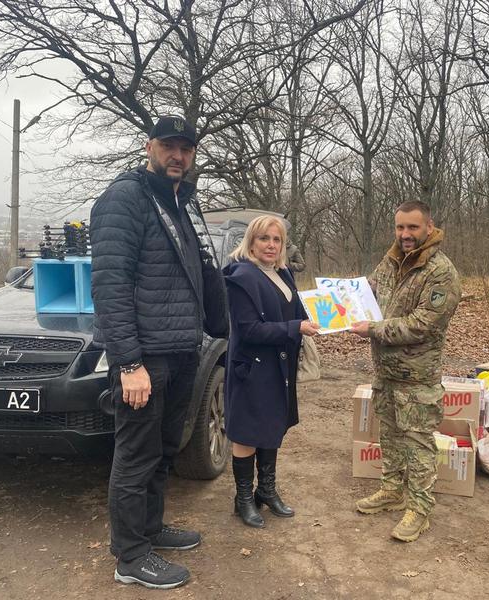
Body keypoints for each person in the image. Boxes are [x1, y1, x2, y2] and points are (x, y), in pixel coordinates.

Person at [91, 116, 229, 589]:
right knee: (135, 456)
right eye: (169, 146)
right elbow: (110, 286)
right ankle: (130, 556)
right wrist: (128, 363)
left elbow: (197, 275)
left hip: (181, 350)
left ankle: (150, 529)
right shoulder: (125, 198)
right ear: (149, 146)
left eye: (186, 149)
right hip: (144, 358)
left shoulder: (182, 202)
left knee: (164, 450)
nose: (178, 155)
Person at [350, 200, 461, 542]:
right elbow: (368, 290)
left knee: (418, 443)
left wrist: (373, 328)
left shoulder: (440, 272)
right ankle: (392, 491)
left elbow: (421, 325)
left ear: (429, 227)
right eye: (400, 227)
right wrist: (338, 298)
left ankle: (419, 509)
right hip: (386, 372)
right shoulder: (391, 261)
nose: (405, 234)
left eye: (413, 227)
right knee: (390, 436)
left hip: (417, 377)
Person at [222, 215, 320, 528]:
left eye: (277, 240)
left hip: (279, 365)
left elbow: (297, 311)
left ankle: (266, 490)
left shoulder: (283, 272)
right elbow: (249, 330)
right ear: (251, 241)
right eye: (264, 238)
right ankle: (243, 498)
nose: (271, 245)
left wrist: (326, 310)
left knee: (272, 425)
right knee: (247, 432)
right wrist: (296, 328)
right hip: (252, 368)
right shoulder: (242, 277)